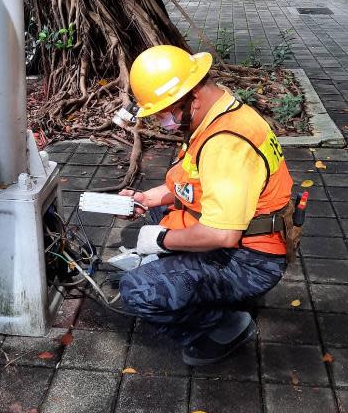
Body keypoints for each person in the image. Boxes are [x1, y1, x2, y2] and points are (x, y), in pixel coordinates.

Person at [118, 45, 293, 365]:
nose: (163, 122)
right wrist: (151, 198)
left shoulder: (226, 144)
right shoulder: (219, 112)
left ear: (191, 100)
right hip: (242, 231)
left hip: (252, 259)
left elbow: (220, 235)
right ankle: (202, 289)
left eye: (164, 114)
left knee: (137, 290)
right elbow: (197, 180)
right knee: (143, 222)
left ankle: (226, 324)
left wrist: (159, 240)